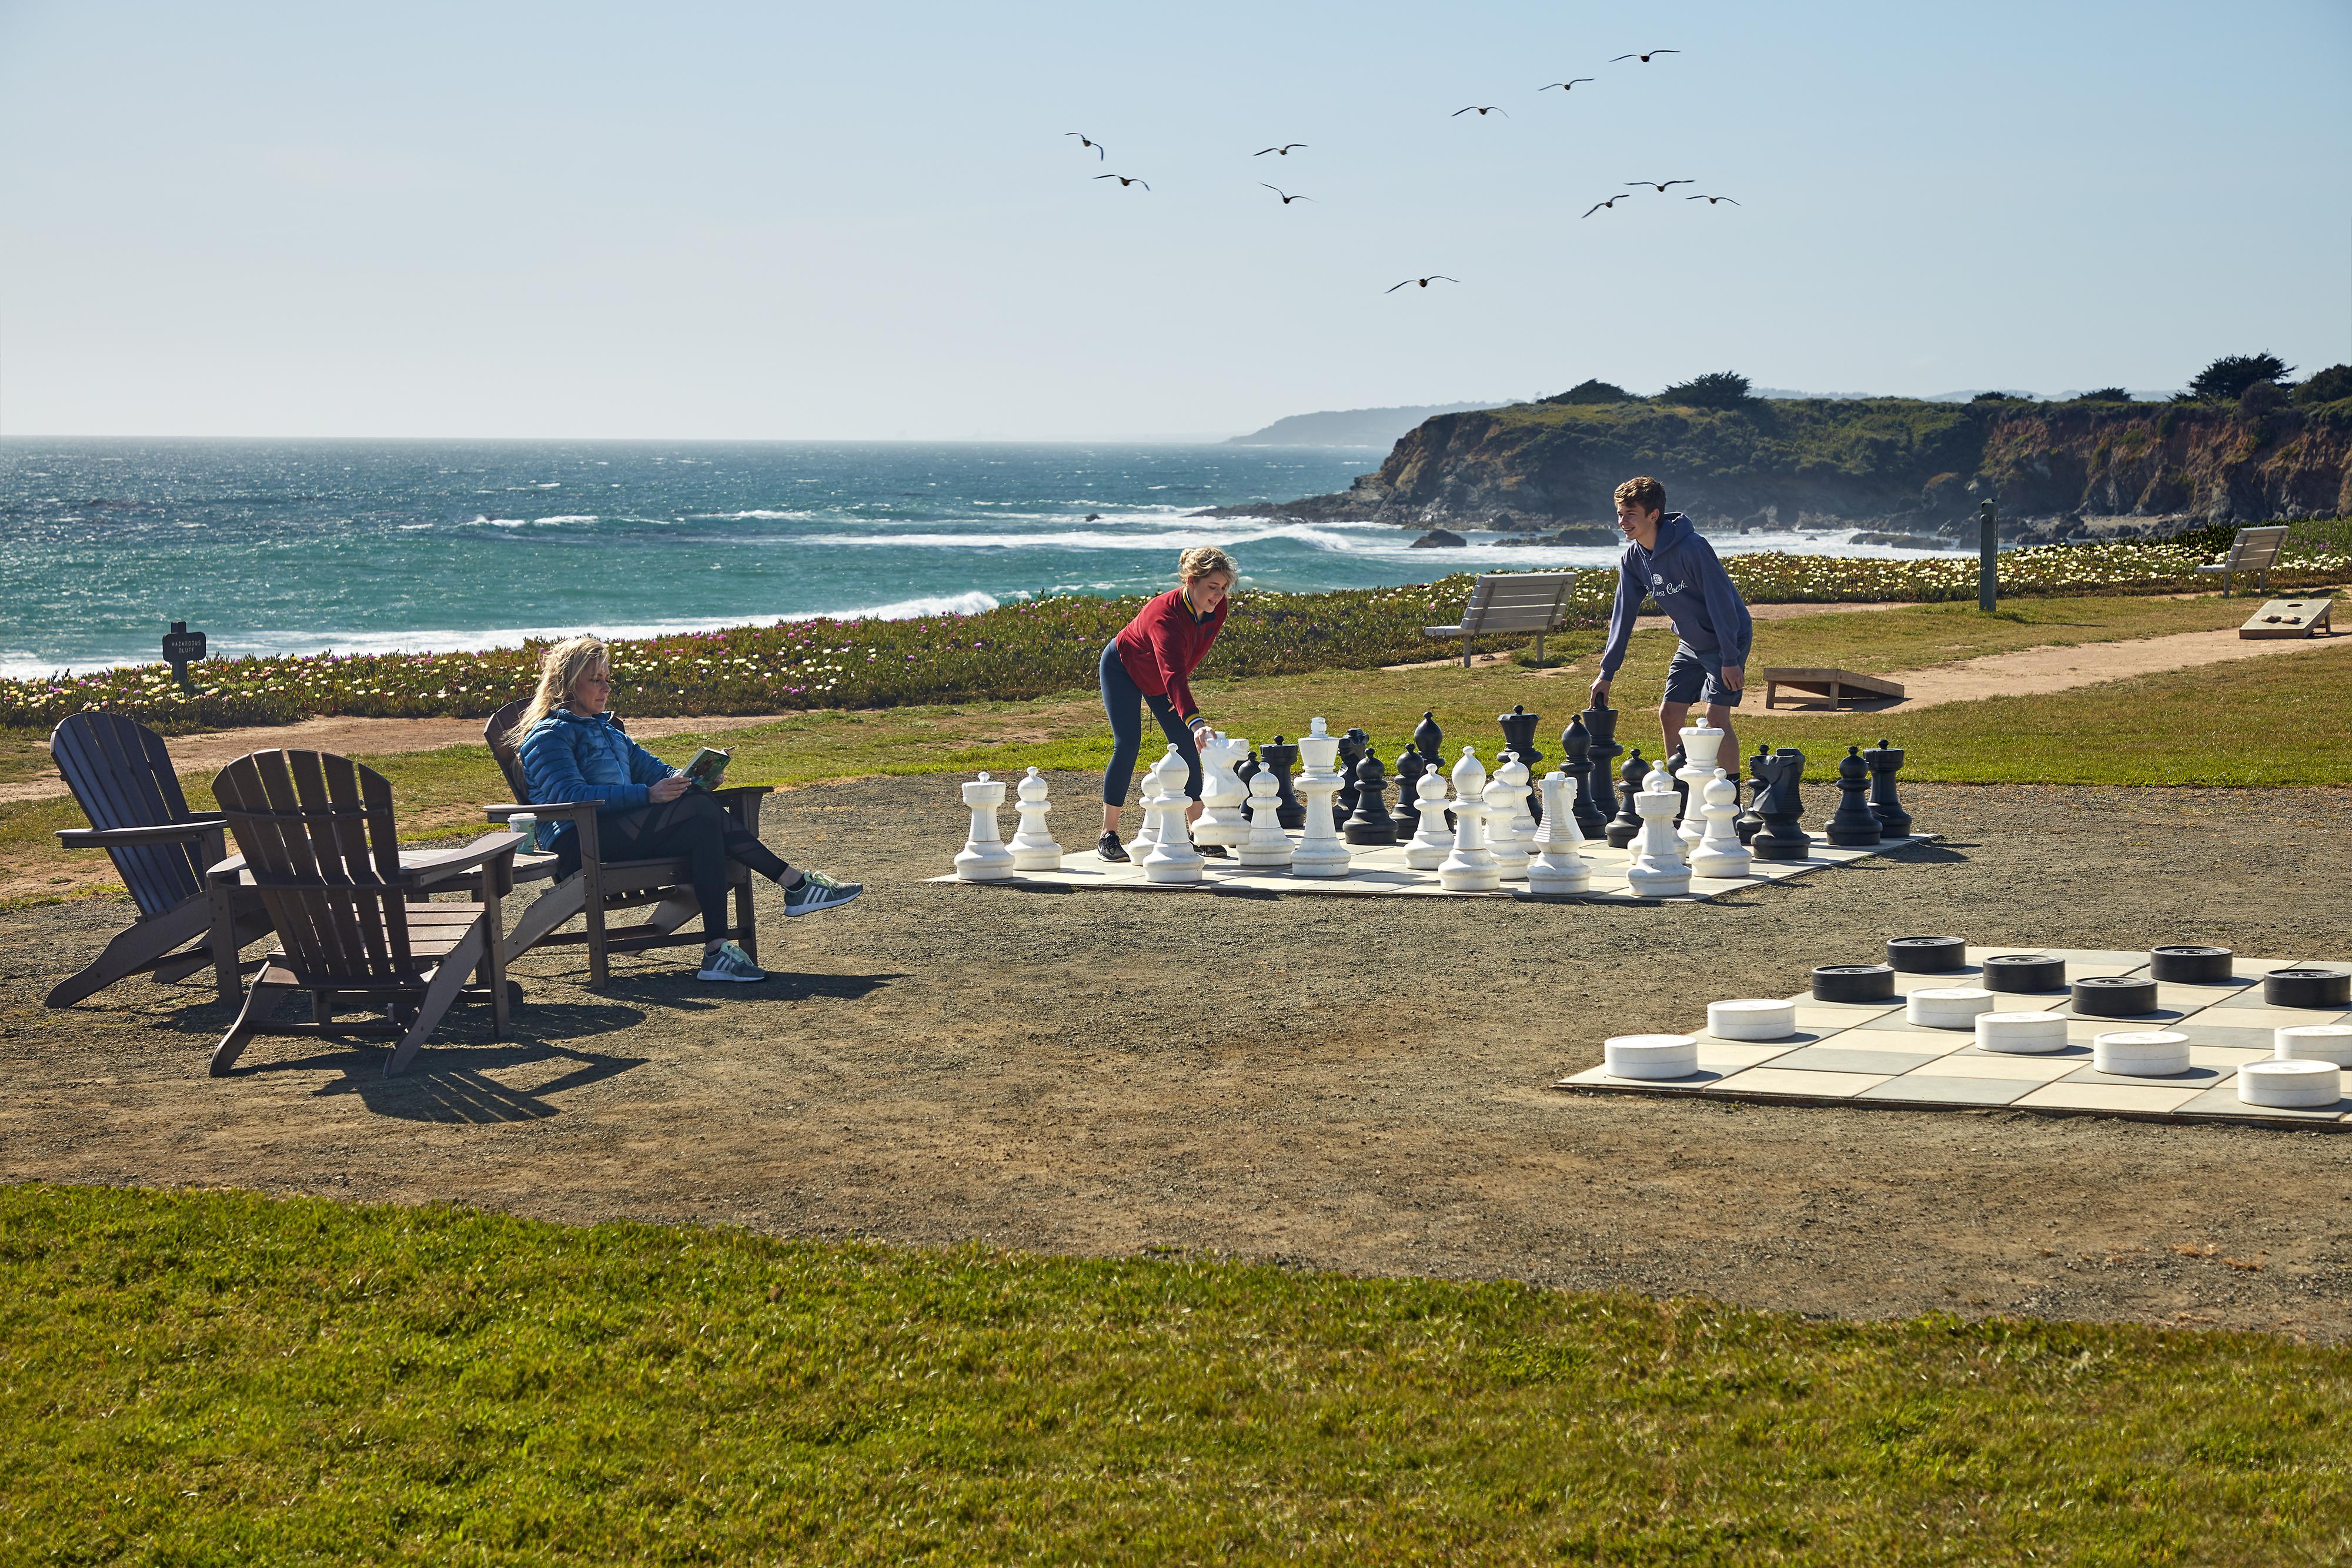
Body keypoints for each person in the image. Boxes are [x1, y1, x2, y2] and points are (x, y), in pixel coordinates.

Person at [507, 636, 860, 983]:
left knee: (702, 824)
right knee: (699, 813)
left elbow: (656, 771)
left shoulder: (611, 733)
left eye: (608, 679)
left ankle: (717, 952)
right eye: (595, 680)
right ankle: (794, 884)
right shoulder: (548, 736)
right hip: (580, 842)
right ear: (569, 686)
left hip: (624, 835)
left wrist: (693, 779)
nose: (606, 688)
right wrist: (649, 796)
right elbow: (570, 794)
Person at [1588, 476, 1753, 769]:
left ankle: (1730, 799)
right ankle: (1681, 789)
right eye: (1620, 514)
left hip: (1728, 638)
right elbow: (1622, 615)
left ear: (1653, 515)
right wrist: (1607, 673)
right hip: (1691, 642)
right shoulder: (1633, 559)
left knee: (1716, 720)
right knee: (1670, 713)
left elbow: (1722, 604)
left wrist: (1730, 658)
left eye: (1631, 515)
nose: (1623, 522)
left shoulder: (1693, 548)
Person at [1097, 546, 1237, 862]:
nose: (1217, 596)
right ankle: (1108, 835)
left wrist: (1185, 715)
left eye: (1223, 588)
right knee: (1128, 742)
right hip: (1122, 667)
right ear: (1190, 581)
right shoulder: (1165, 615)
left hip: (1162, 678)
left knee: (1188, 745)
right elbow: (1173, 670)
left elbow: (1190, 656)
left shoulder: (1219, 608)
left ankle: (1199, 831)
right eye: (1211, 587)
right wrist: (1196, 720)